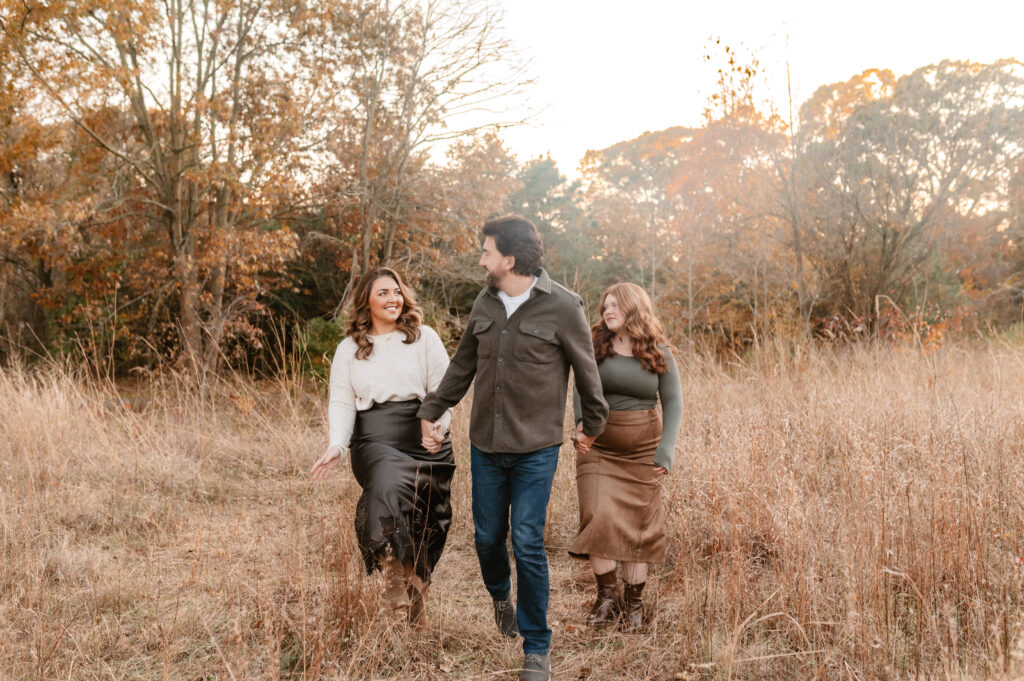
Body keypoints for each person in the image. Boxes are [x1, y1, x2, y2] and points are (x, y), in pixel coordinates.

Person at [418, 216, 608, 681]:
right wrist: (431, 410)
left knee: (526, 539)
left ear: (509, 258)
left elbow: (587, 373)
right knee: (486, 539)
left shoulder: (564, 306)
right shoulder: (484, 301)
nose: (481, 259)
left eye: (486, 251)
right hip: (485, 443)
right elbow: (462, 366)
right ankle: (501, 596)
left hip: (536, 447)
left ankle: (536, 647)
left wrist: (592, 424)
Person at [310, 267, 454, 627]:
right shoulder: (350, 349)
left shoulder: (425, 338)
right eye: (383, 293)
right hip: (375, 439)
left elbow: (444, 391)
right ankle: (394, 584)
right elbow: (342, 402)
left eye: (396, 292)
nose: (393, 299)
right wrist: (337, 446)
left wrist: (437, 427)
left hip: (425, 436)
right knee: (386, 490)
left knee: (425, 521)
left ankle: (417, 586)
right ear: (366, 303)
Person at [569, 282, 682, 632]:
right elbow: (581, 388)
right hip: (598, 448)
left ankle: (634, 604)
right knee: (597, 515)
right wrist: (580, 425)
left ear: (634, 308)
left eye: (615, 305)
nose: (607, 311)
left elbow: (674, 403)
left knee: (639, 529)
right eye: (605, 306)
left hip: (643, 451)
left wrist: (666, 451)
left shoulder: (659, 350)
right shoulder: (595, 346)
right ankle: (606, 597)